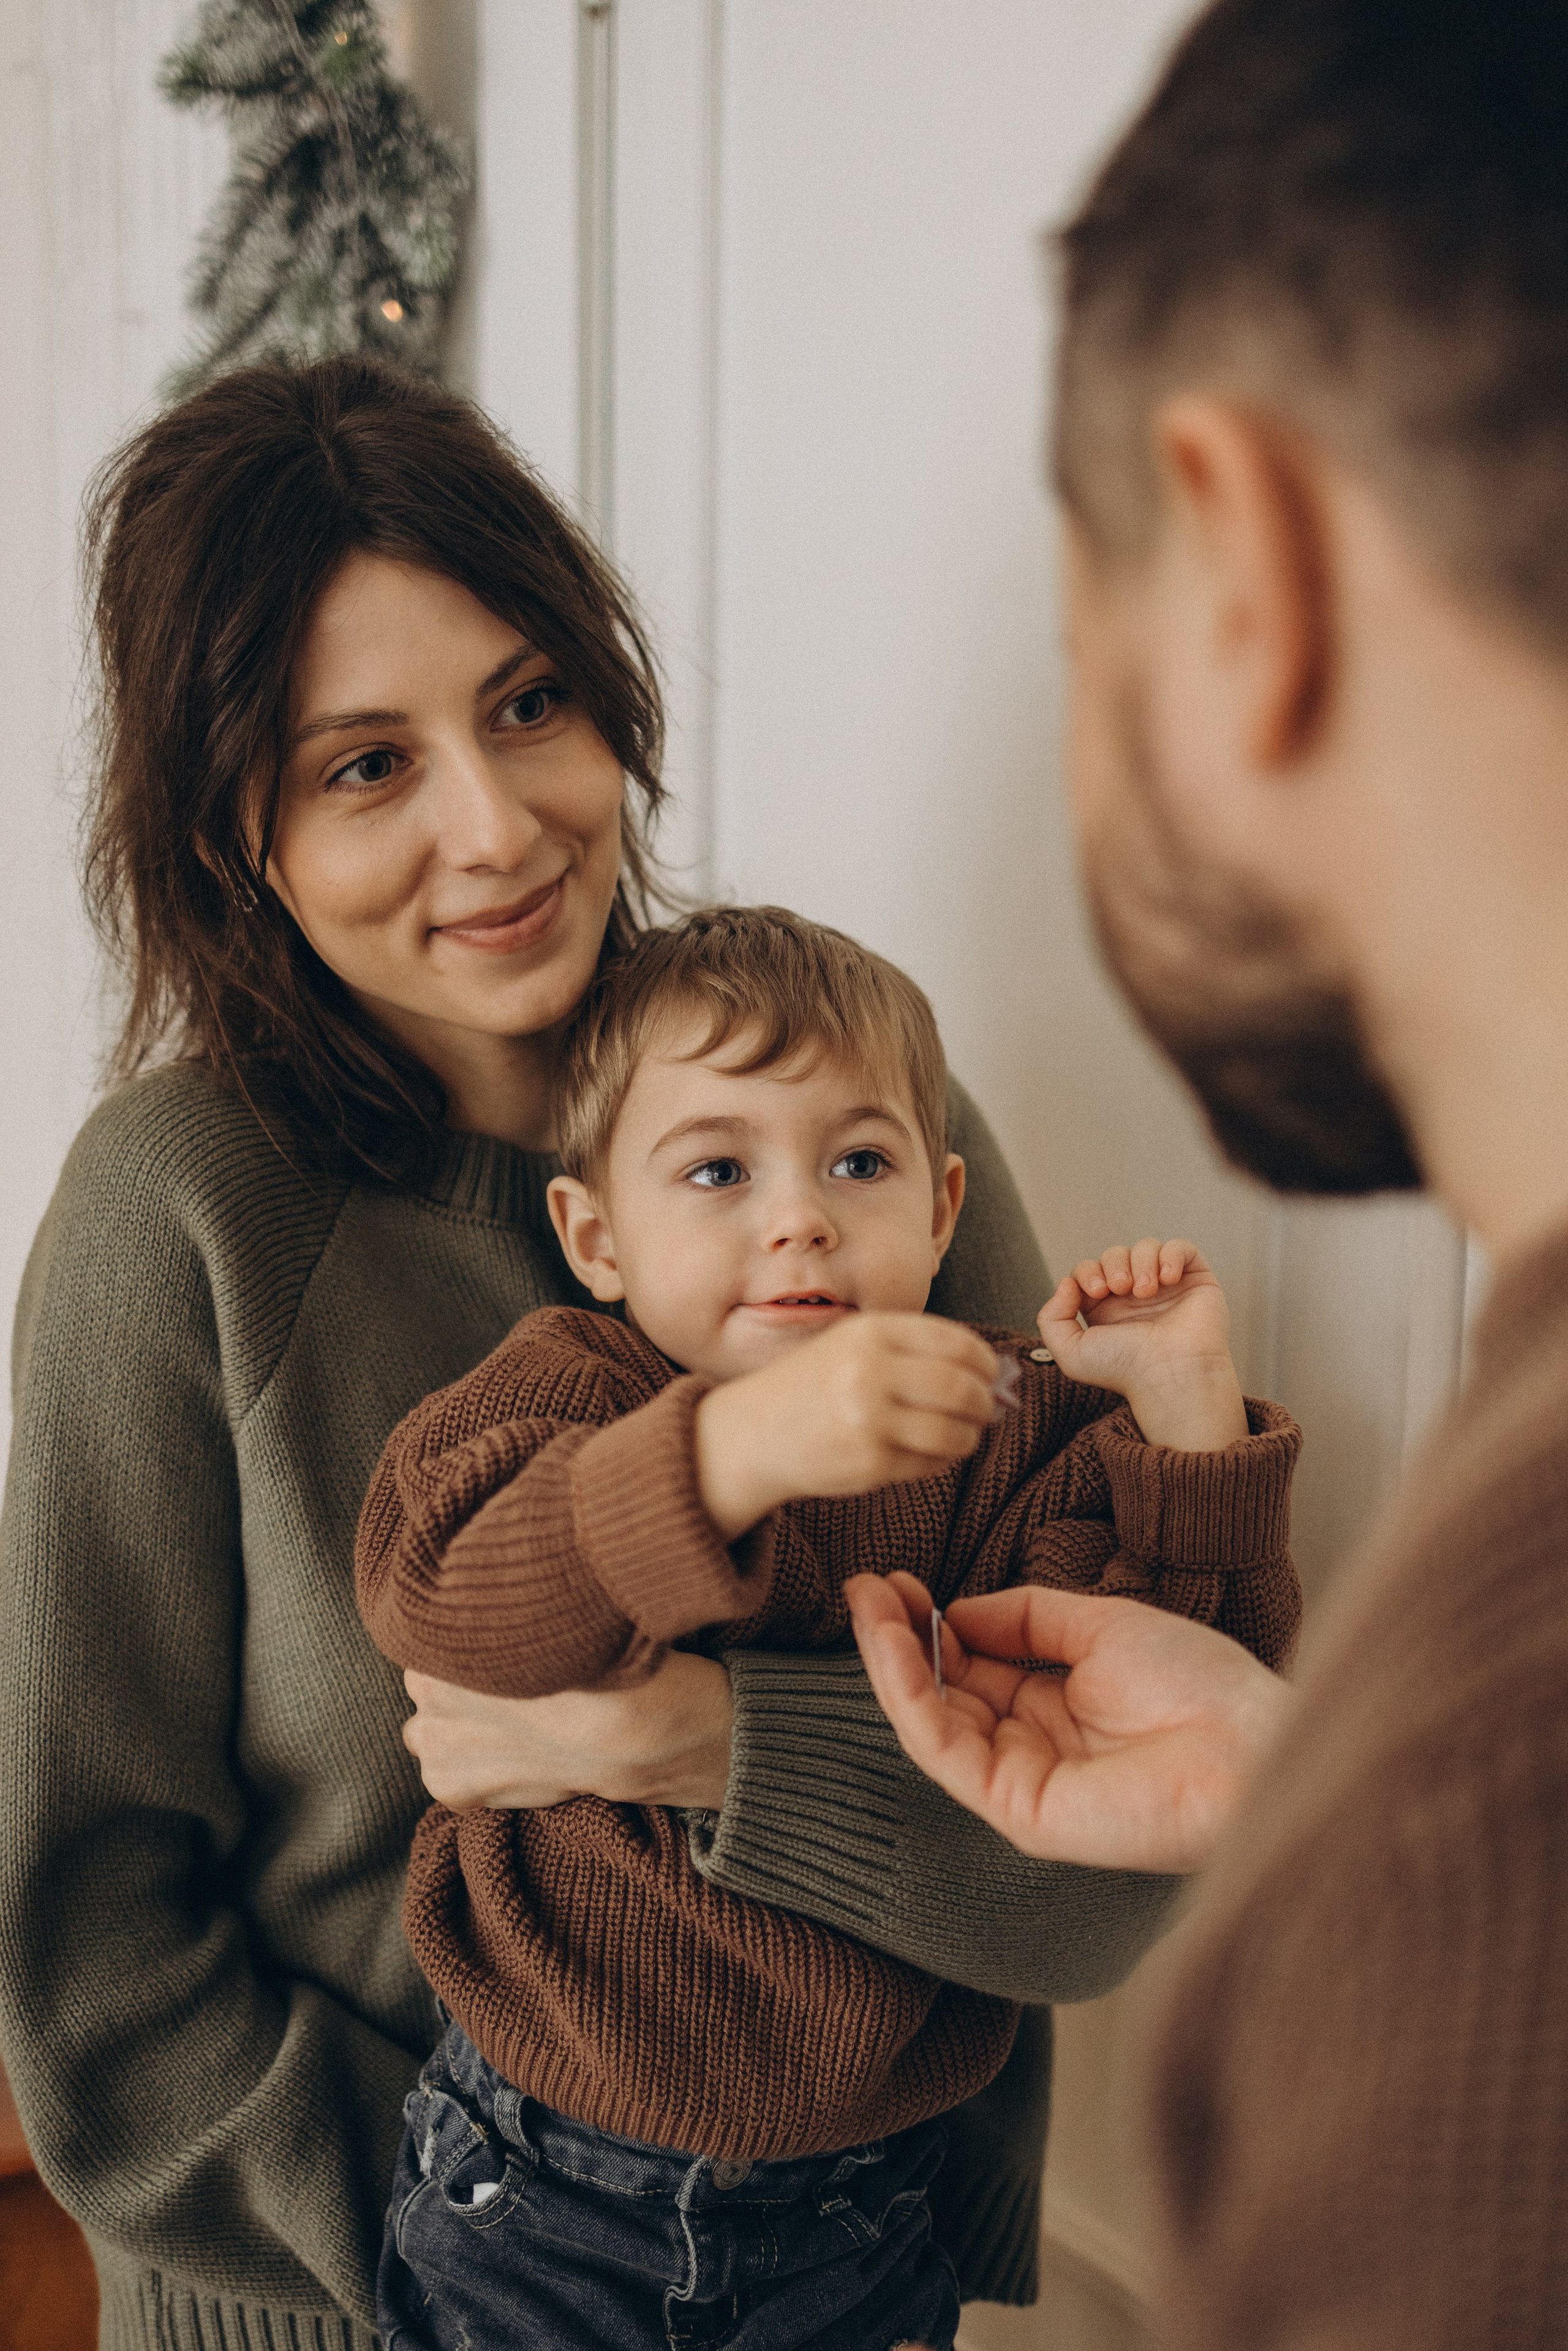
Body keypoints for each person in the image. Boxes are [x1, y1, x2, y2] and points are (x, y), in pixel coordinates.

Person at [0, 355, 1183, 2351]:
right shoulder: (178, 1207)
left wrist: (711, 1750)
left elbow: (1101, 1870)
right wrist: (512, 2250)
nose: (498, 823)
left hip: (840, 2279)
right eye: (363, 763)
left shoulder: (856, 1142)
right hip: (365, 2293)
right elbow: (92, 1948)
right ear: (233, 832)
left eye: (530, 700)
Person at [845, 0, 1568, 2342]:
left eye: (1083, 639)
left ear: (1244, 567)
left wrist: (1372, 1846)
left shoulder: (1478, 1840)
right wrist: (1292, 1775)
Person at [355, 904, 1301, 2351]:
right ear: (594, 1233)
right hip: (542, 2182)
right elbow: (435, 1582)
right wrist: (730, 1451)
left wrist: (1181, 1420)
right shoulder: (565, 1391)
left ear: (940, 1211)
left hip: (861, 2207)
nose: (796, 1215)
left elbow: (1158, 1708)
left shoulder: (1002, 1426)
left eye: (857, 1163)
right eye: (718, 1168)